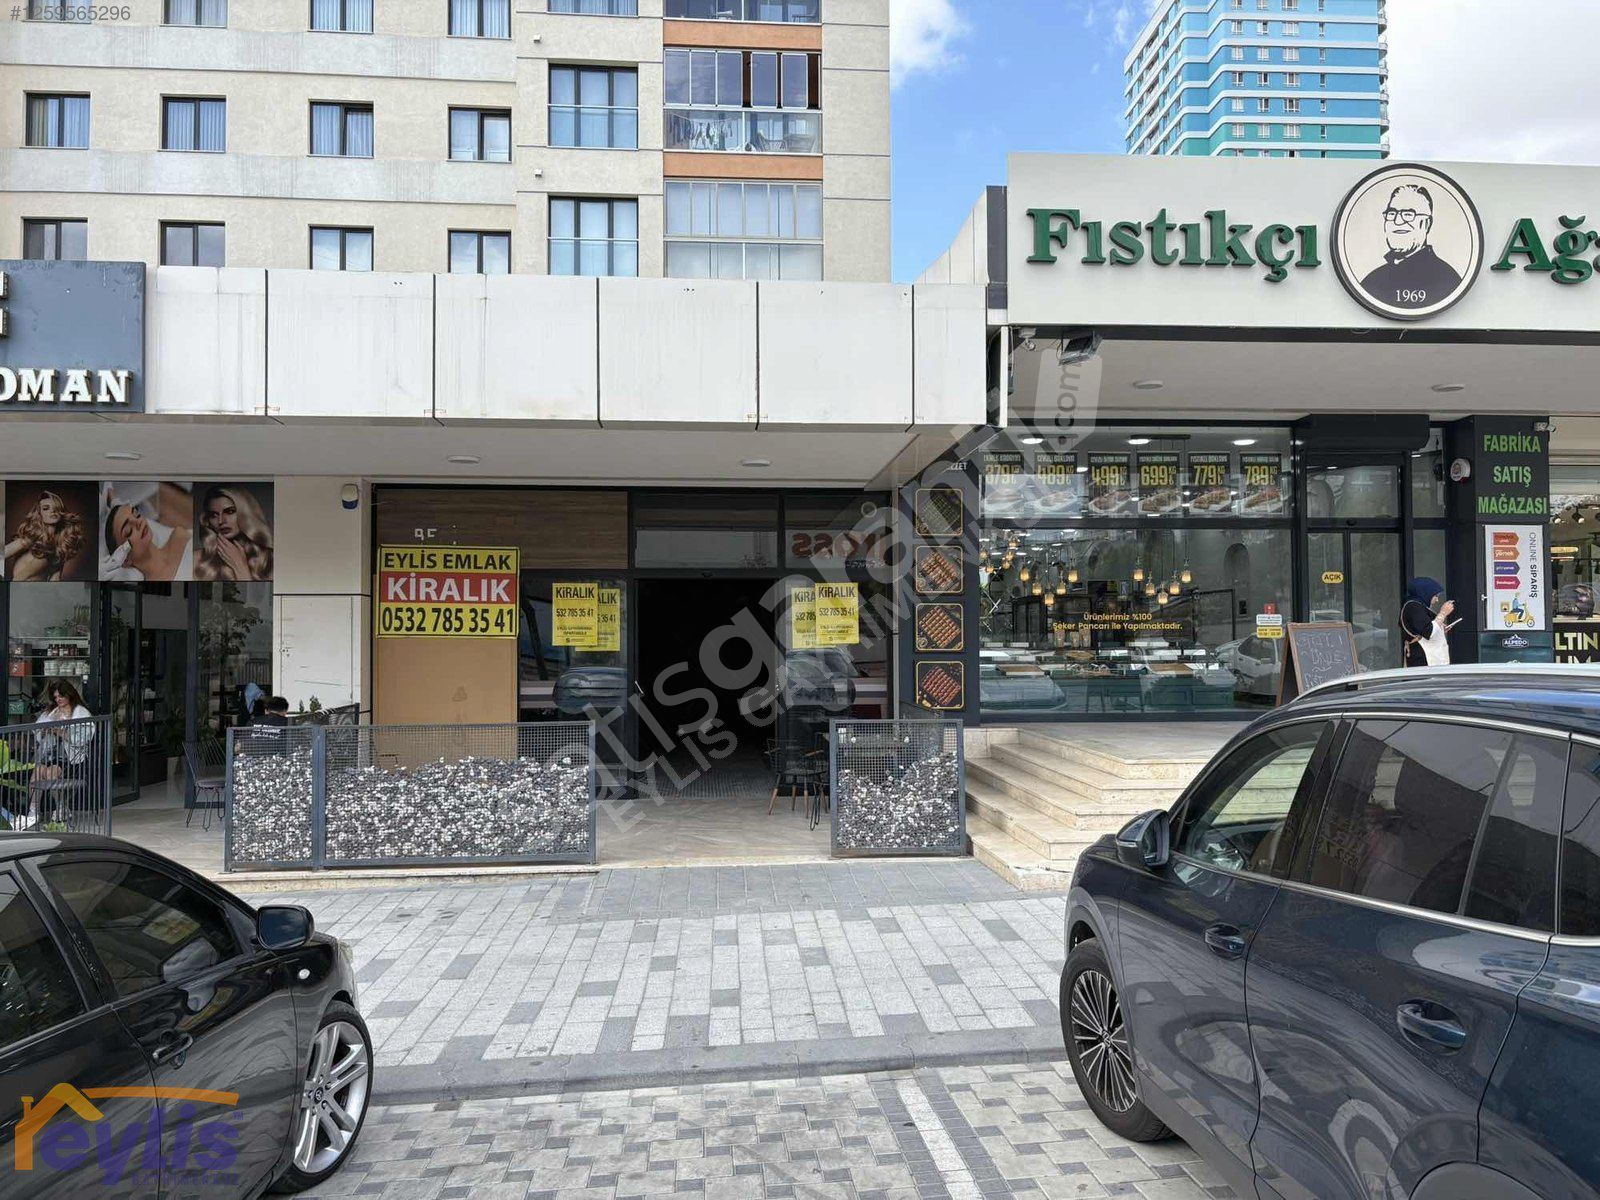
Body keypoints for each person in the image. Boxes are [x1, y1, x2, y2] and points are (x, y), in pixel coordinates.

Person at [1359, 184, 1463, 311]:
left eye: (1408, 214)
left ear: (1427, 224)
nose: (1397, 221)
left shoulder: (1448, 280)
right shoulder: (1372, 281)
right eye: (1392, 213)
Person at [102, 485, 194, 583]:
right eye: (129, 530)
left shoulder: (178, 535)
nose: (138, 522)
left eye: (136, 514)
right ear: (125, 560)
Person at [194, 485, 274, 582]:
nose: (221, 521)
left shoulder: (269, 559)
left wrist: (240, 566)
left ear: (245, 513)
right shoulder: (197, 559)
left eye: (230, 511)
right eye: (214, 515)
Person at [4, 491, 88, 581]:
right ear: (39, 514)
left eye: (56, 508)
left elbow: (55, 580)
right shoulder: (30, 540)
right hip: (18, 588)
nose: (52, 511)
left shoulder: (60, 548)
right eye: (46, 508)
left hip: (42, 589)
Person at [1401, 577, 1455, 668]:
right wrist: (1443, 613)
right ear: (1425, 593)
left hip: (1424, 657)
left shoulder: (1418, 606)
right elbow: (1428, 631)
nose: (1437, 600)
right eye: (1435, 596)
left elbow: (1427, 628)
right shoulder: (1413, 607)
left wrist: (1440, 627)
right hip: (1423, 658)